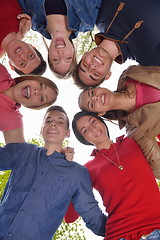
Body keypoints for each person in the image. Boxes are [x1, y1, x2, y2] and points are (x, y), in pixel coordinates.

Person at [0, 105, 107, 240]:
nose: (53, 124)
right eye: (48, 121)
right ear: (41, 129)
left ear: (67, 133)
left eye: (60, 122)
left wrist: (129, 228)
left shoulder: (77, 174)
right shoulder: (22, 151)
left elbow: (94, 218)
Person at [65, 110, 160, 240]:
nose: (93, 129)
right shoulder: (88, 169)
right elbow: (70, 217)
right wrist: (66, 169)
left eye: (93, 122)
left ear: (101, 121)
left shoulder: (133, 141)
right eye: (85, 130)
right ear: (84, 139)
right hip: (120, 234)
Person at [78, 65, 160, 178]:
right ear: (100, 114)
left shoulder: (130, 74)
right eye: (92, 104)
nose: (95, 98)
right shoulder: (136, 131)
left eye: (92, 93)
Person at [74, 0, 160, 88]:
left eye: (85, 65)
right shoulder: (148, 58)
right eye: (95, 74)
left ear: (84, 55)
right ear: (108, 75)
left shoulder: (98, 12)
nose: (92, 66)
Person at [17, 0, 102, 78]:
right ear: (73, 52)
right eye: (68, 58)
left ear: (49, 54)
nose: (60, 53)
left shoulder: (30, 20)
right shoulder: (88, 20)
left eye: (55, 59)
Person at [0, 64, 58, 144]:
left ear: (32, 106)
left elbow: (20, 152)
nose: (37, 91)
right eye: (41, 85)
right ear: (32, 79)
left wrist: (57, 150)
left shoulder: (12, 120)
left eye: (41, 98)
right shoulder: (1, 71)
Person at [0, 0, 47, 75]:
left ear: (11, 65)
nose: (23, 55)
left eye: (22, 63)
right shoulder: (22, 17)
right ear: (32, 46)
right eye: (31, 55)